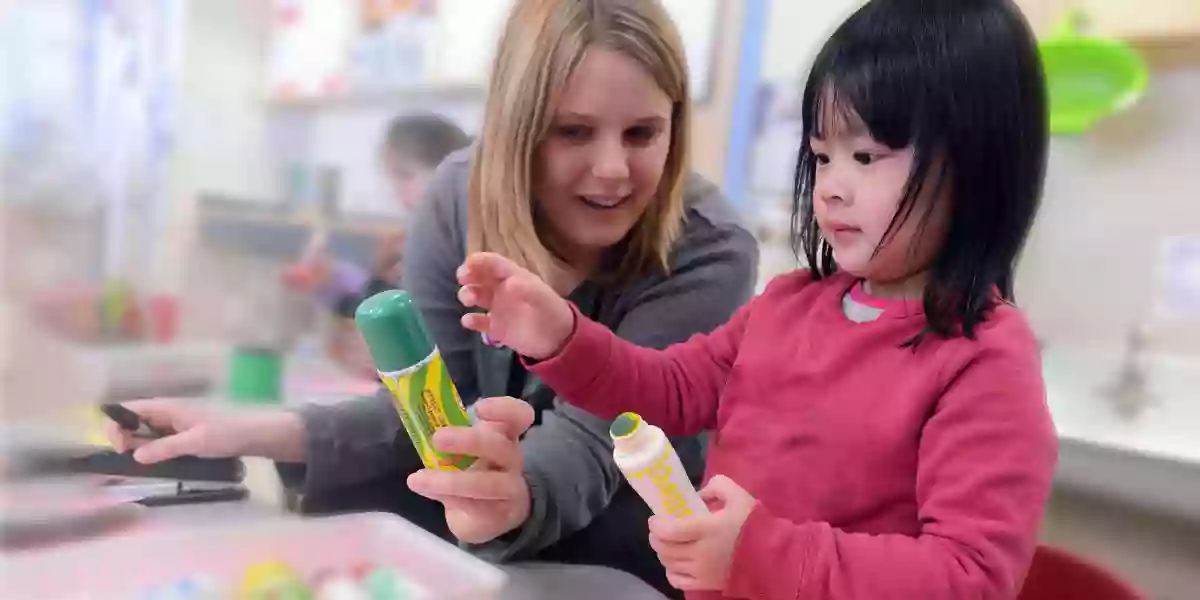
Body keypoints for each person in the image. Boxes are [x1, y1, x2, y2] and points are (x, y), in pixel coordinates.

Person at [106, 1, 758, 597]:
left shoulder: (711, 245)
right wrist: (246, 432)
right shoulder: (458, 195)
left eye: (642, 134)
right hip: (475, 517)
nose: (613, 168)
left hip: (618, 553)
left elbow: (600, 442)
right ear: (516, 129)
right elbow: (424, 403)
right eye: (574, 132)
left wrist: (515, 492)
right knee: (355, 511)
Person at [450, 1, 1058, 599]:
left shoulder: (983, 360)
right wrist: (564, 337)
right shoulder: (787, 306)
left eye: (866, 157)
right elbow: (666, 389)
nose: (832, 189)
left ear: (980, 166)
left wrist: (759, 553)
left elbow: (971, 576)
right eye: (822, 157)